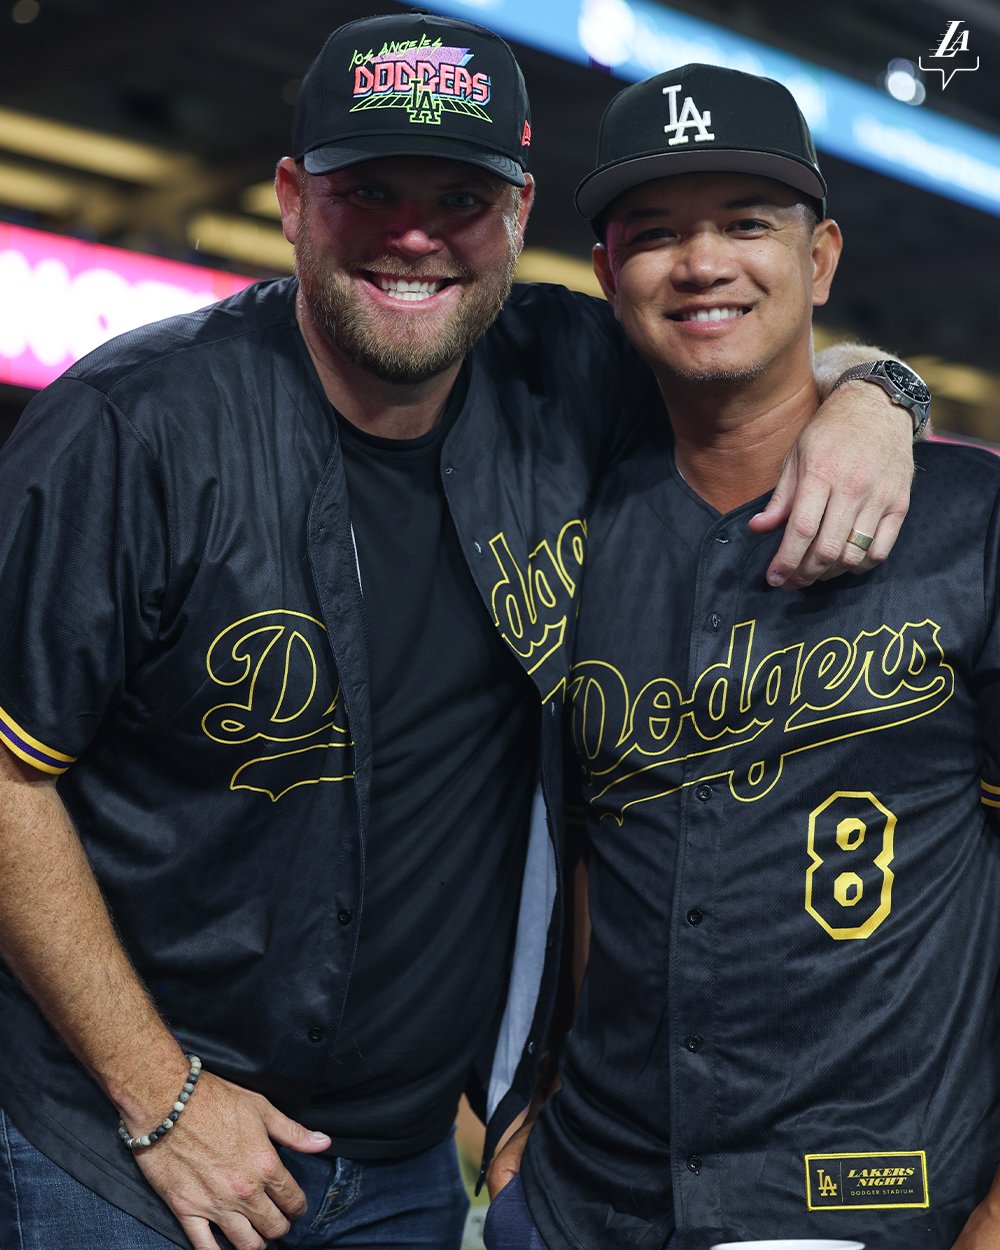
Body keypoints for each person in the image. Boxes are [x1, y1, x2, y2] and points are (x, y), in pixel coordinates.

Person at [0, 15, 917, 1250]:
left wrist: (877, 399)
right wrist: (158, 1094)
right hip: (122, 1155)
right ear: (290, 199)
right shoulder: (130, 428)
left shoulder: (565, 373)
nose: (415, 234)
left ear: (520, 211)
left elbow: (762, 366)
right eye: (368, 188)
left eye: (460, 195)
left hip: (401, 1168)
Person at [486, 61, 1000, 1250]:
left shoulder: (971, 527)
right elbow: (586, 858)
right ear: (608, 273)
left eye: (746, 225)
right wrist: (528, 1128)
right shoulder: (574, 533)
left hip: (879, 1204)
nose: (702, 262)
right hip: (592, 1200)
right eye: (655, 232)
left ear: (818, 259)